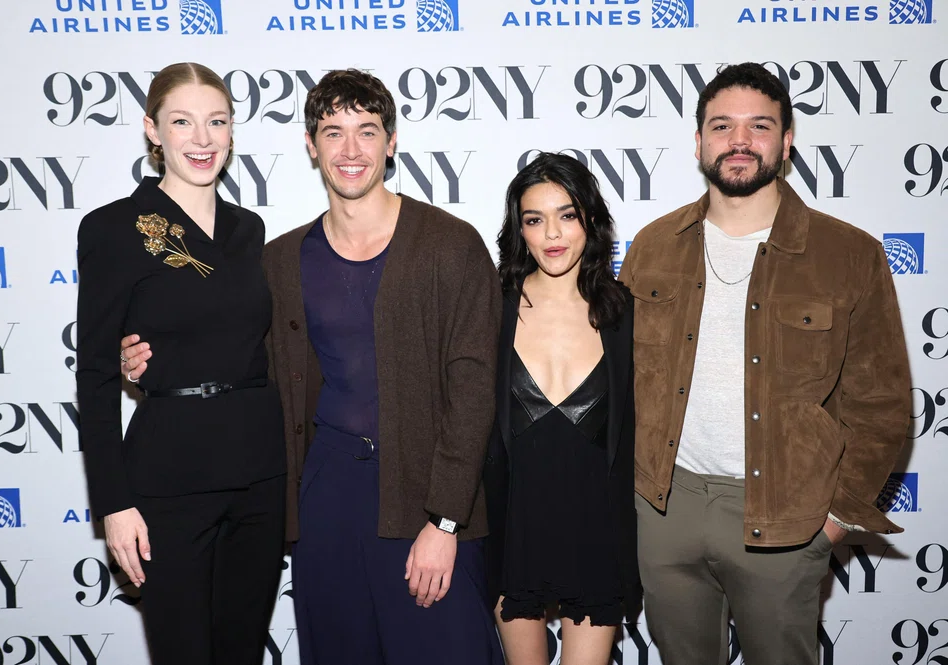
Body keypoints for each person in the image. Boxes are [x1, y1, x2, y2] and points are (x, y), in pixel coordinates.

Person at [124, 68, 504, 665]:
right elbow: (235, 356)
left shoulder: (450, 246)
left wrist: (446, 522)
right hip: (325, 500)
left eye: (367, 131)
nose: (350, 151)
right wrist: (148, 357)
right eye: (333, 132)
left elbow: (475, 387)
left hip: (426, 500)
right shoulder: (277, 260)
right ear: (310, 144)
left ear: (392, 141)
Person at [619, 62, 912, 665]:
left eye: (759, 126)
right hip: (664, 508)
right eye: (722, 126)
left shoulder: (849, 254)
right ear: (698, 142)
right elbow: (619, 384)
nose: (739, 141)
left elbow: (882, 406)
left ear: (787, 141)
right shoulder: (651, 246)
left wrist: (831, 522)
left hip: (786, 519)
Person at [77, 63, 286, 665]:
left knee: (241, 652)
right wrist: (114, 504)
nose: (202, 138)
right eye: (183, 122)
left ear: (231, 131)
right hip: (168, 480)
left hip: (258, 476)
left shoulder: (250, 230)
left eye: (216, 121)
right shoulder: (112, 228)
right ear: (153, 130)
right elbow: (93, 374)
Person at [484, 153, 641, 665]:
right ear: (519, 229)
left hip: (596, 534)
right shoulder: (490, 307)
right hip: (513, 534)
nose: (552, 233)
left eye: (567, 215)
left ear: (590, 221)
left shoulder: (625, 313)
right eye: (534, 219)